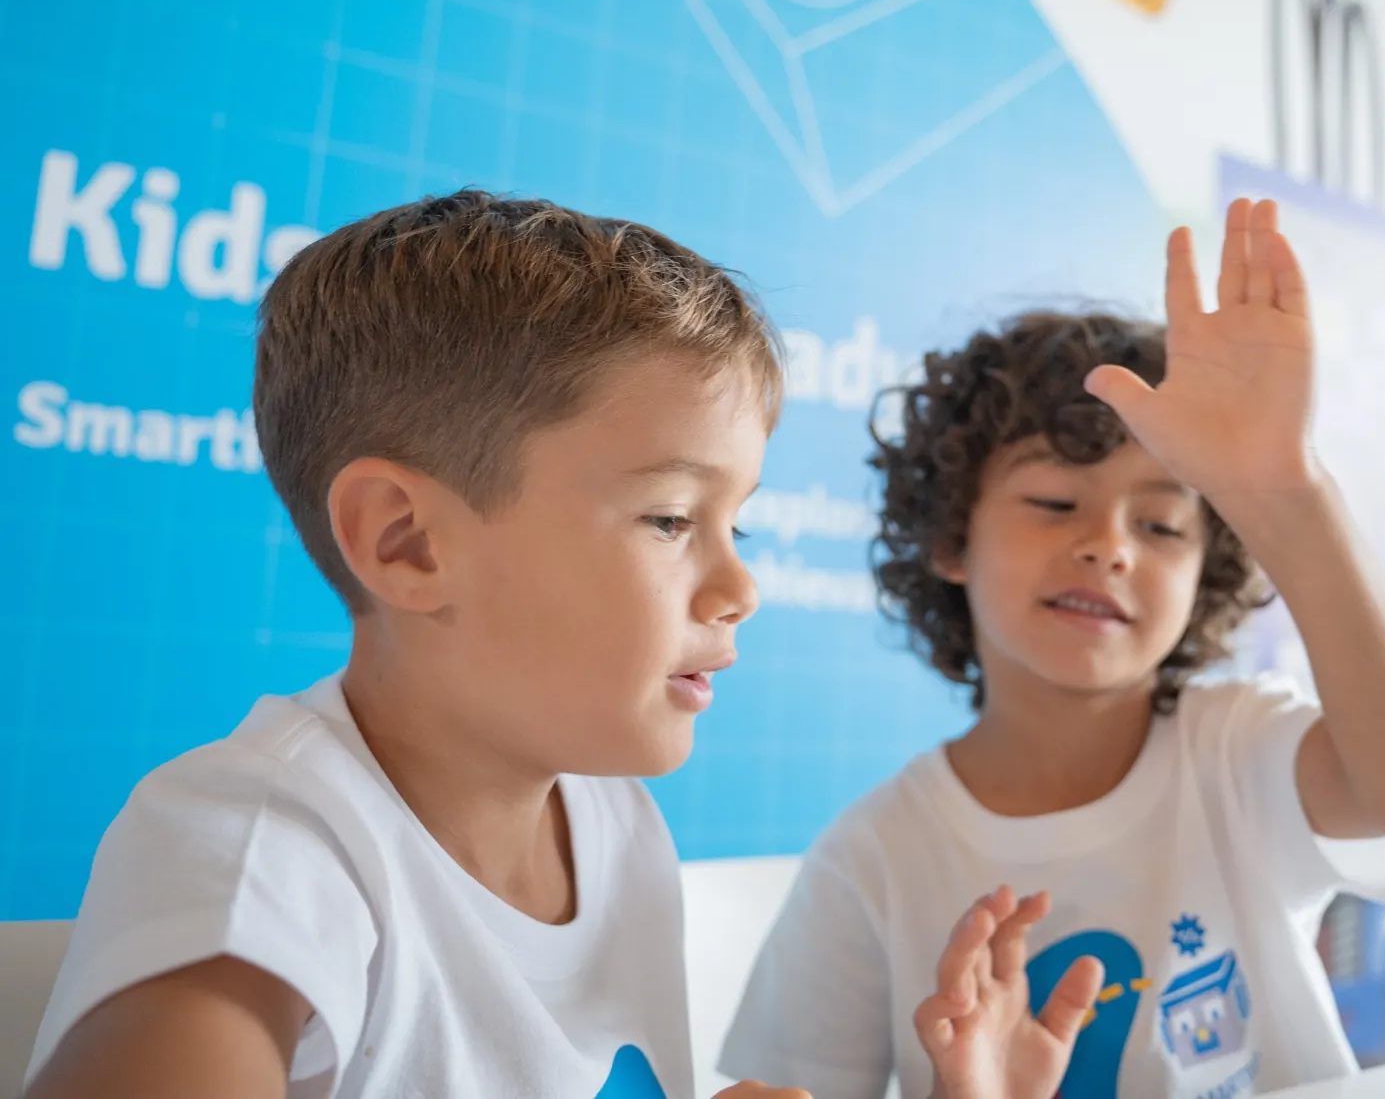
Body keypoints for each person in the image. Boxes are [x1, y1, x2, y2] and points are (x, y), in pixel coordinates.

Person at [23, 192, 810, 1099]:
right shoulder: (258, 848)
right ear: (407, 541)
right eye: (671, 518)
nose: (741, 590)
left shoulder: (618, 822)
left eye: (737, 525)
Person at [722, 198, 1385, 1099]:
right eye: (1053, 502)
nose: (1112, 545)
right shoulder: (871, 856)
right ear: (953, 537)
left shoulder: (1237, 750)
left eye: (1160, 523)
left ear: (1207, 573)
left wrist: (1285, 488)